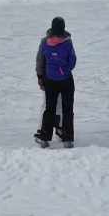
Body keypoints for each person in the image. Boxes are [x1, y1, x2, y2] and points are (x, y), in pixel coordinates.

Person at [34, 16, 76, 149]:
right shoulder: (68, 43)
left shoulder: (44, 42)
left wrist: (40, 75)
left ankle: (45, 137)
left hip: (50, 80)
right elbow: (72, 61)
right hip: (65, 80)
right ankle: (67, 137)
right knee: (67, 108)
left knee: (49, 108)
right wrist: (64, 69)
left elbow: (40, 59)